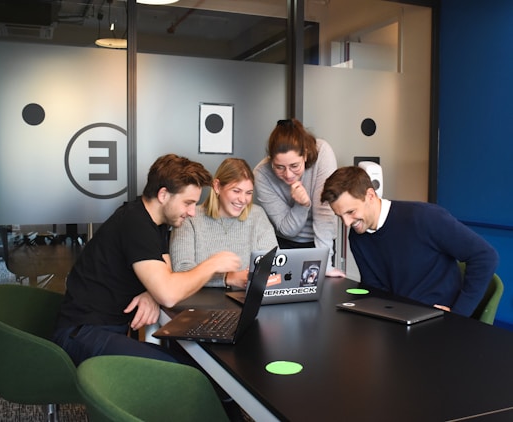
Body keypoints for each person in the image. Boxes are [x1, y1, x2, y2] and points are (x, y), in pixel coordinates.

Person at [52, 154, 242, 366]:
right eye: (188, 203)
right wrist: (212, 264)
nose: (192, 212)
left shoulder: (155, 222)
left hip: (104, 330)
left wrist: (152, 292)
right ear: (163, 194)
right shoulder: (135, 222)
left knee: (193, 363)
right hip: (82, 335)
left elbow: (166, 275)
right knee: (187, 371)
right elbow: (169, 294)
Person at [320, 165, 499, 316]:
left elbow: (485, 256)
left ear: (370, 196)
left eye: (351, 212)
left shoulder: (424, 217)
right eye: (339, 216)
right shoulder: (358, 237)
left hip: (439, 322)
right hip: (400, 319)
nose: (347, 223)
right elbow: (375, 290)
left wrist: (459, 314)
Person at [254, 118, 344, 277]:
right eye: (279, 167)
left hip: (322, 243)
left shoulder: (322, 152)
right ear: (271, 160)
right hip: (284, 244)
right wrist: (302, 205)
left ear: (306, 154)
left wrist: (326, 265)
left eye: (294, 166)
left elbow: (325, 215)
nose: (288, 175)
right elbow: (287, 229)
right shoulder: (262, 174)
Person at [170, 157, 278, 289]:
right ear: (217, 186)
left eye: (248, 193)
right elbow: (181, 271)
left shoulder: (257, 215)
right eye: (236, 191)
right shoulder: (190, 218)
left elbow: (275, 264)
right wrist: (227, 278)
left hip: (245, 299)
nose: (243, 199)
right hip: (200, 301)